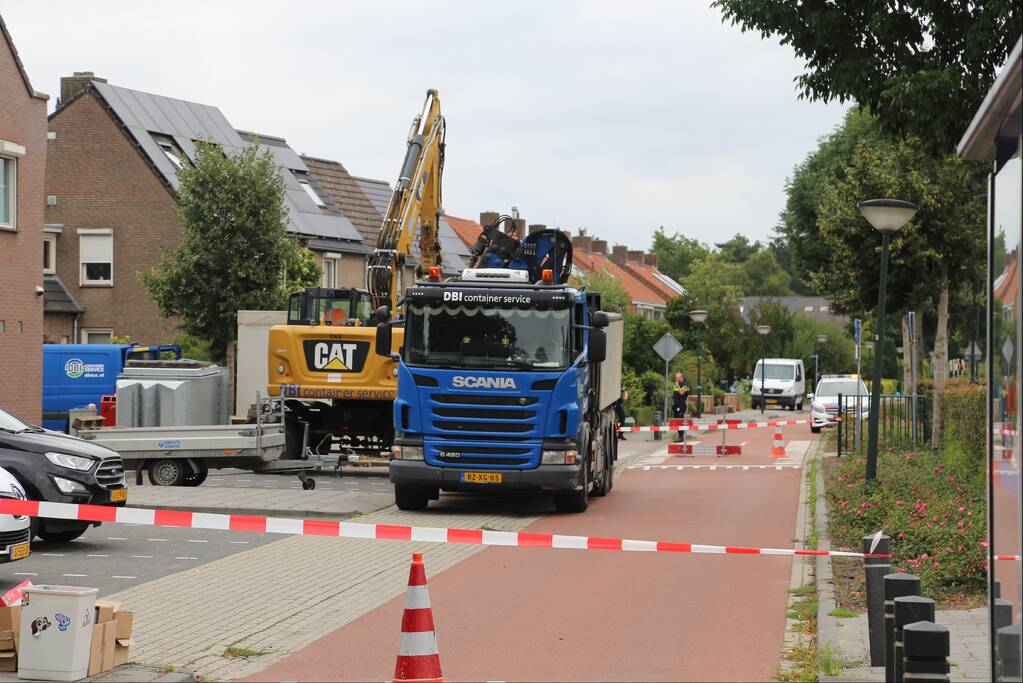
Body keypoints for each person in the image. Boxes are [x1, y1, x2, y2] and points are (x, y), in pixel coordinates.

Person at [672, 371, 690, 442]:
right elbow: (675, 394)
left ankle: (681, 436)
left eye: (677, 377)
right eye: (675, 377)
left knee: (680, 420)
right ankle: (679, 436)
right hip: (676, 405)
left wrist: (678, 386)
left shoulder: (685, 385)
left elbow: (681, 393)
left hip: (681, 405)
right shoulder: (676, 385)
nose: (676, 379)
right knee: (677, 421)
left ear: (681, 377)